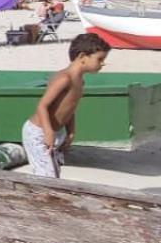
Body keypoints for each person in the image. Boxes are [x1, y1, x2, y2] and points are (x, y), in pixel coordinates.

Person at [21, 32, 110, 177]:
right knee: (46, 175)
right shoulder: (64, 78)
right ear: (82, 57)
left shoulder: (80, 81)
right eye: (99, 59)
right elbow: (42, 106)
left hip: (57, 132)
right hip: (38, 132)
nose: (102, 63)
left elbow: (70, 108)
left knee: (54, 172)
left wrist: (71, 132)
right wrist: (48, 131)